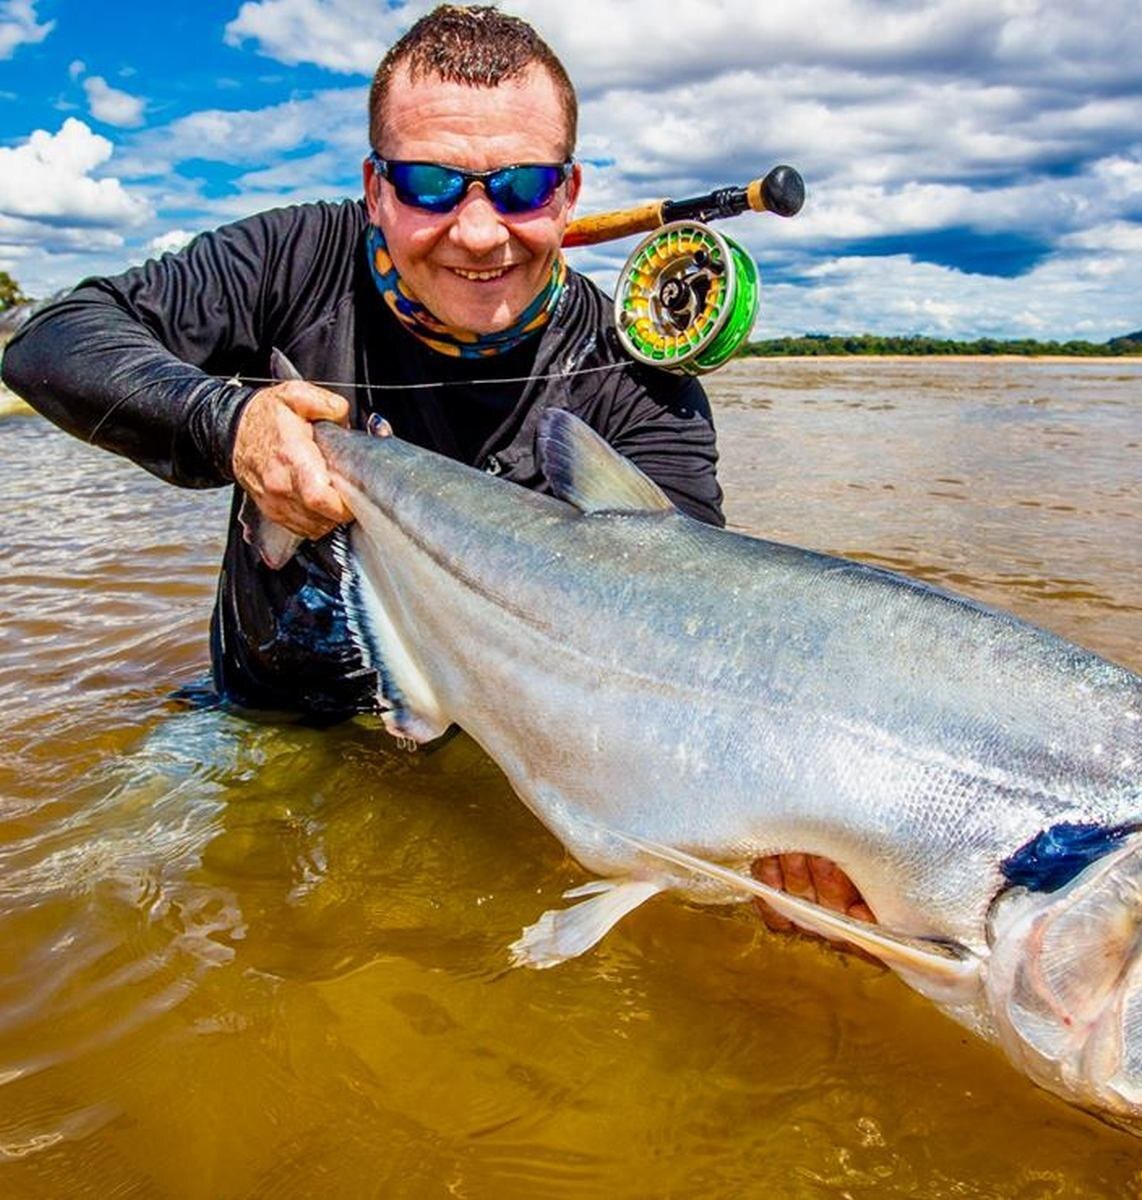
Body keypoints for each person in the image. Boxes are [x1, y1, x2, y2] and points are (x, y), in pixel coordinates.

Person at [1, 4, 866, 934]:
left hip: (489, 776)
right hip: (262, 725)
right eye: (429, 184)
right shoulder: (298, 256)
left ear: (567, 194)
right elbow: (51, 339)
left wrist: (781, 838)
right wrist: (231, 419)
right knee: (84, 900)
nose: (481, 233)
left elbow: (692, 651)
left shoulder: (638, 382)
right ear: (376, 189)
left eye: (522, 186)